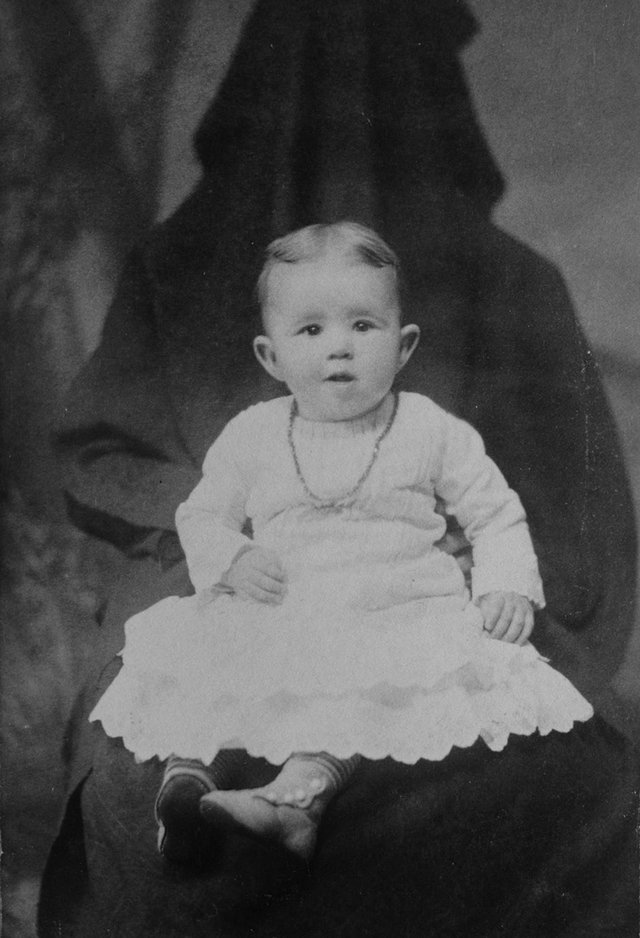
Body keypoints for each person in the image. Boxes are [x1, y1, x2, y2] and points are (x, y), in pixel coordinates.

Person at [90, 222, 593, 867]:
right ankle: (187, 785)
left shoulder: (429, 429)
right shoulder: (253, 434)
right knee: (210, 668)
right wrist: (234, 559)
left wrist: (507, 585)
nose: (339, 349)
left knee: (368, 691)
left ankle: (296, 800)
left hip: (393, 611)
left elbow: (495, 514)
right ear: (271, 358)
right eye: (311, 330)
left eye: (362, 326)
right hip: (281, 609)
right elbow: (203, 514)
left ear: (403, 346)